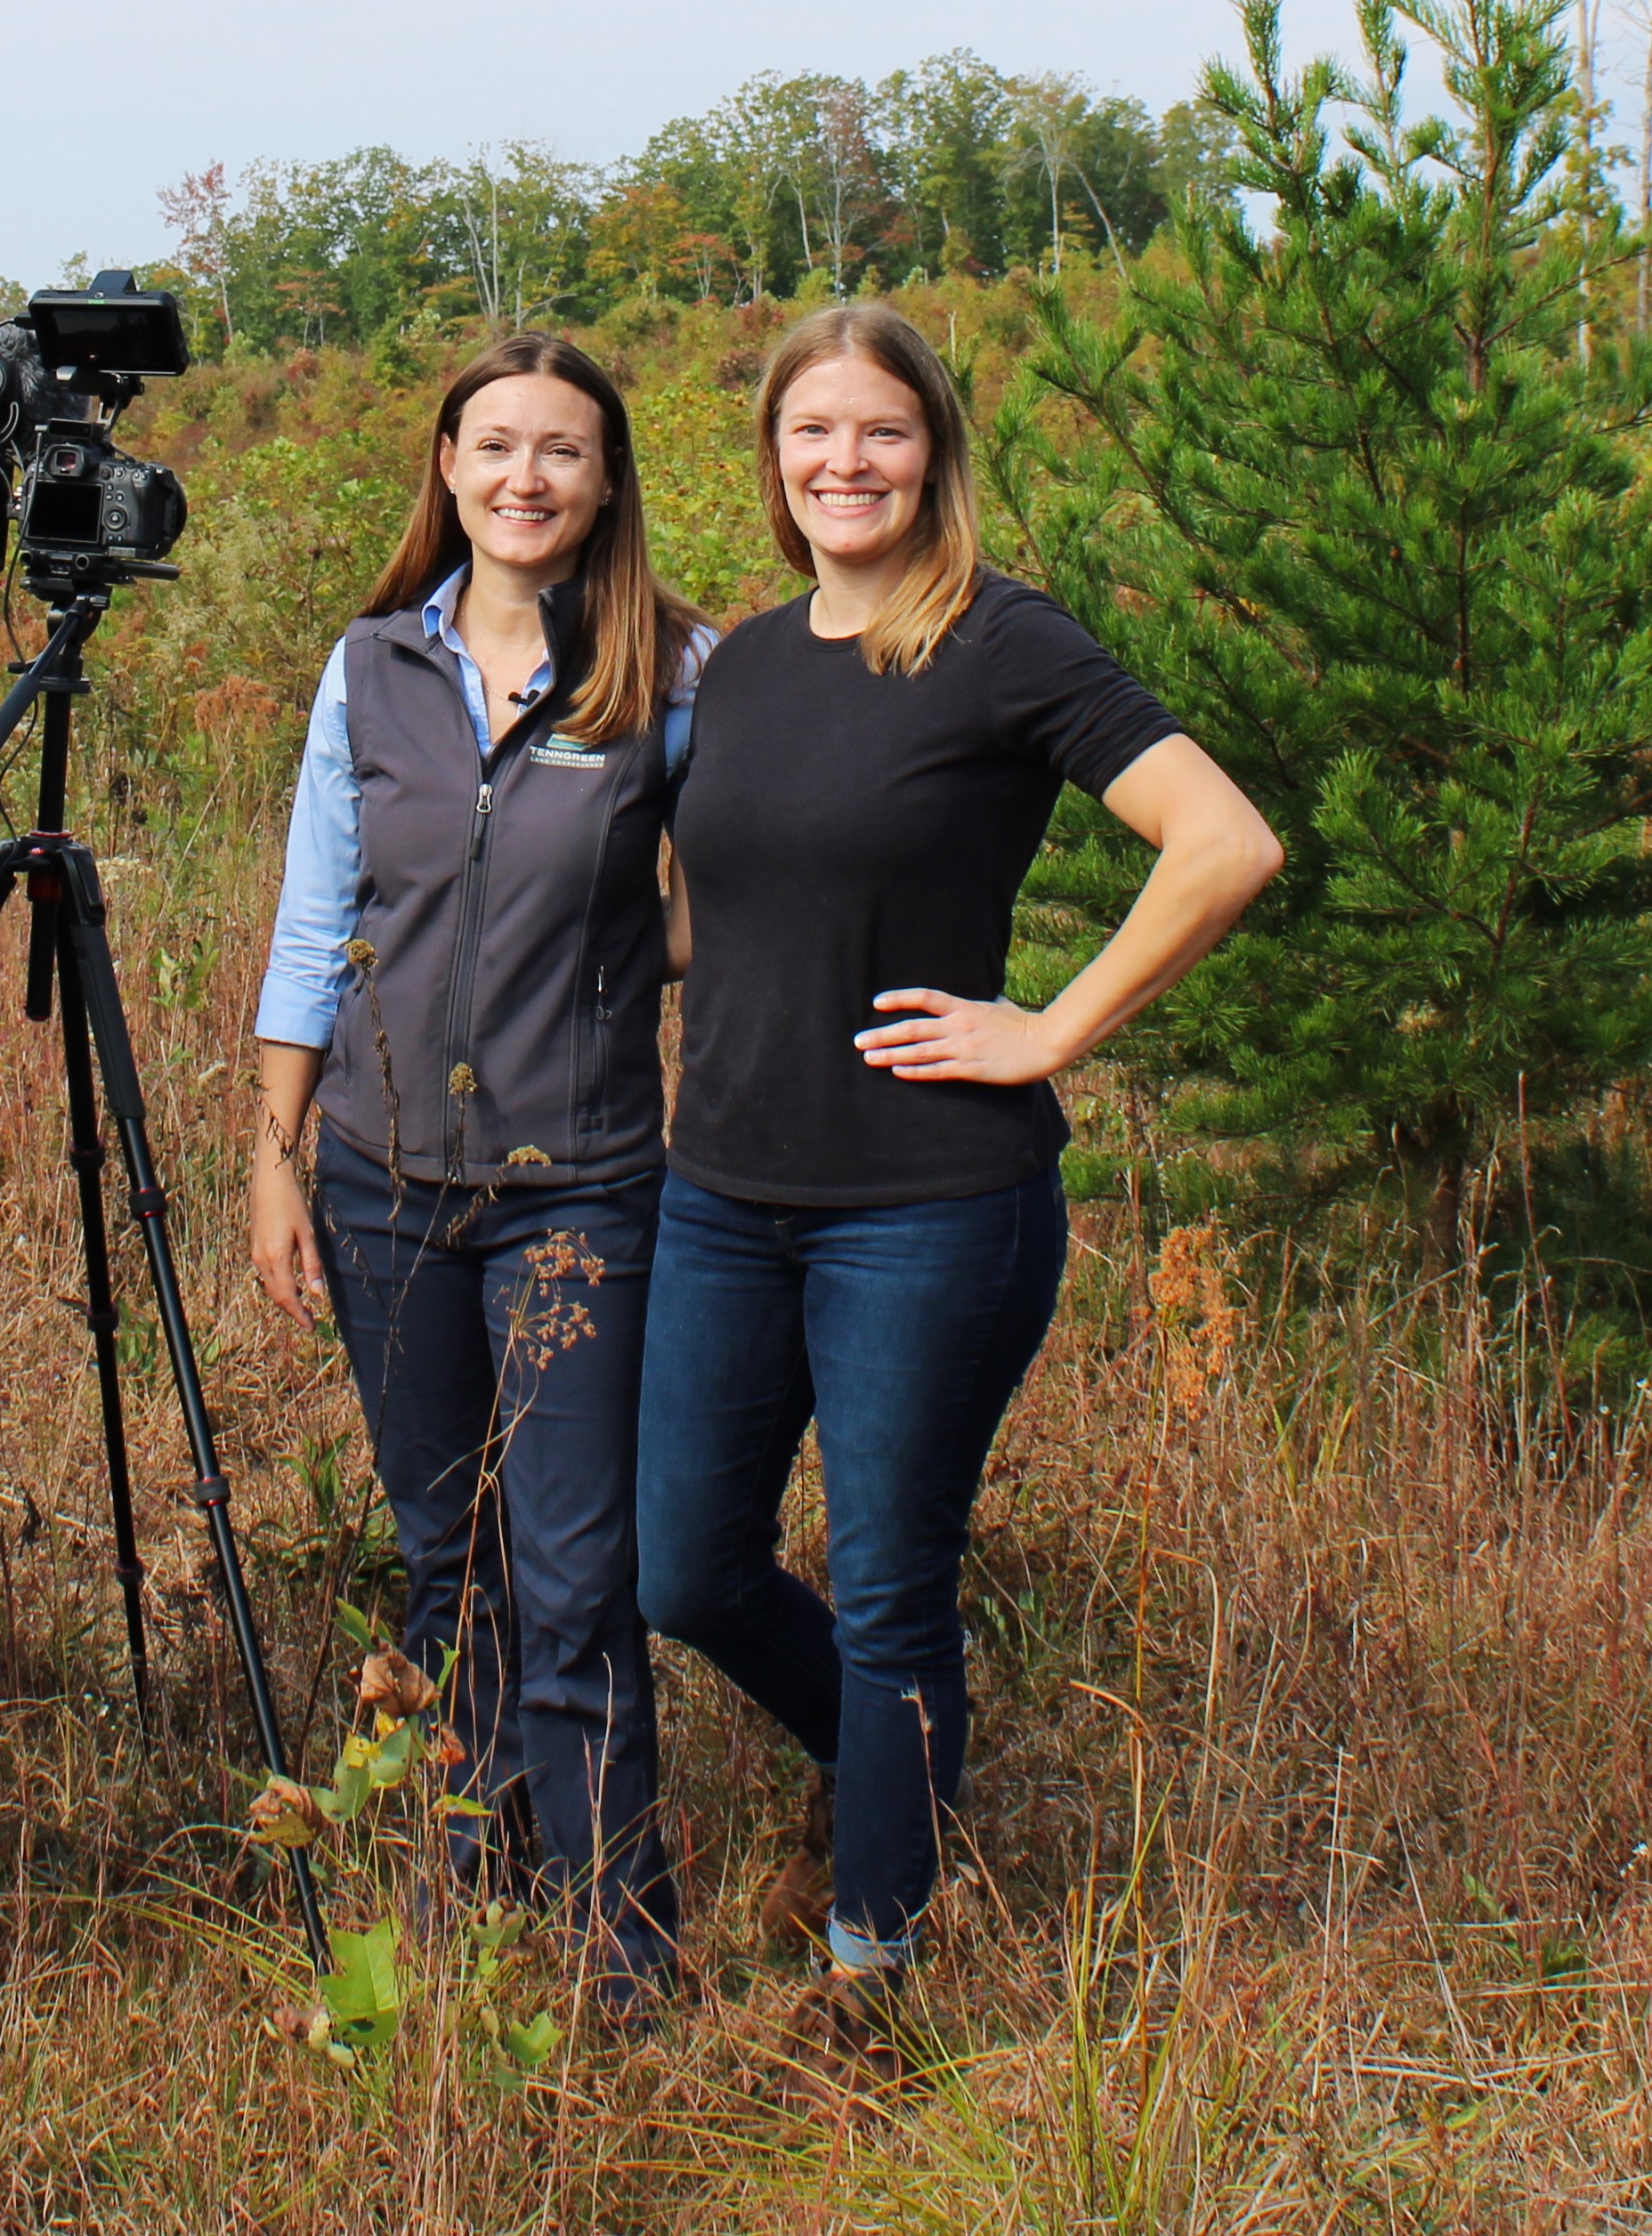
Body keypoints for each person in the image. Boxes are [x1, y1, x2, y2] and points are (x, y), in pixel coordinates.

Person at [636, 296, 1281, 2046]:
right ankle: (899, 1773)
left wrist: (1052, 1025)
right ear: (773, 460)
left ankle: (869, 1969)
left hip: (928, 1201)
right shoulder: (749, 662)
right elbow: (725, 914)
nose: (846, 461)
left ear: (936, 451)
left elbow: (1226, 841)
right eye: (813, 432)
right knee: (684, 1565)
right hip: (722, 1190)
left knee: (895, 1573)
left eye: (883, 431)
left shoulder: (1003, 643)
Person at [244, 335, 709, 1997]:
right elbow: (320, 920)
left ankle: (621, 1944)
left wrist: (603, 949)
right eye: (495, 444)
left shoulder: (678, 672)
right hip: (380, 1180)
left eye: (562, 451)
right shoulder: (368, 665)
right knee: (451, 1558)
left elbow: (718, 908)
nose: (526, 477)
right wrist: (275, 1151)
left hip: (579, 1185)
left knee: (577, 1569)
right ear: (445, 464)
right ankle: (478, 1871)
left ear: (606, 481)